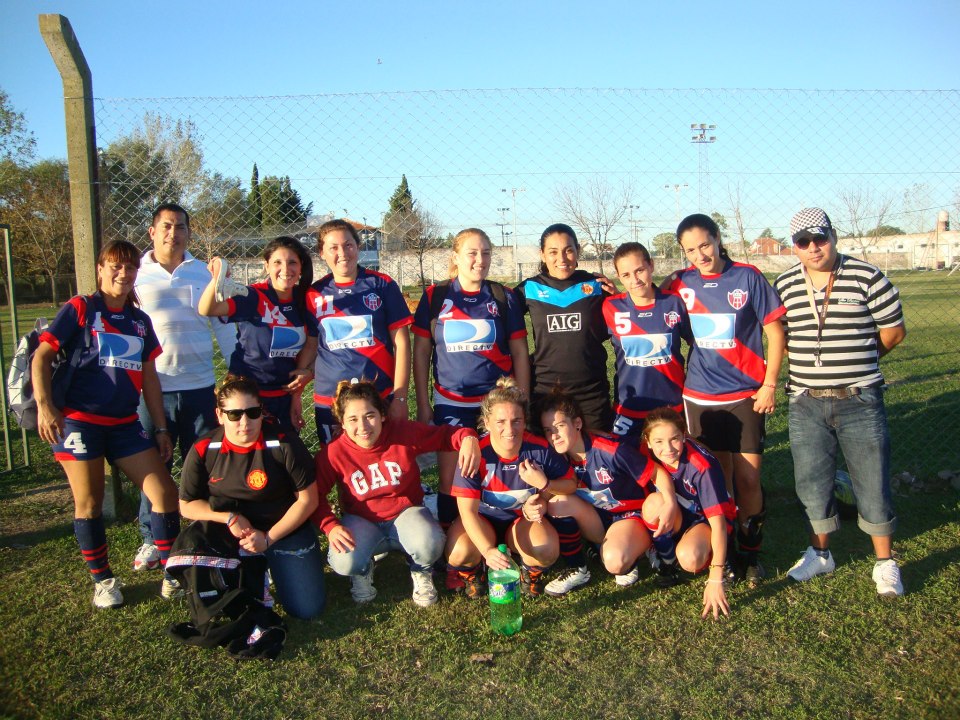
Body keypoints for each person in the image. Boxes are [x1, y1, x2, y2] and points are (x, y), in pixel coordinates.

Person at [31, 240, 181, 609]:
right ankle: (104, 581)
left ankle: (172, 573)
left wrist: (160, 429)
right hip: (79, 422)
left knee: (164, 494)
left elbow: (149, 380)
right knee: (90, 502)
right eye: (115, 266)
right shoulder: (81, 308)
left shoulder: (140, 321)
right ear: (100, 269)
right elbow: (42, 355)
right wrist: (46, 407)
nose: (123, 273)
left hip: (125, 424)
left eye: (130, 267)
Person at [774, 208, 907, 597]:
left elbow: (894, 332)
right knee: (812, 483)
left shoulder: (868, 276)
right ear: (794, 247)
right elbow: (779, 334)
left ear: (833, 235)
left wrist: (862, 360)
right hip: (805, 403)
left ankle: (885, 562)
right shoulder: (784, 285)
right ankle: (820, 553)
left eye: (820, 238)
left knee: (872, 481)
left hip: (859, 399)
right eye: (803, 242)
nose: (813, 248)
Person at [663, 213, 786, 584]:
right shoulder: (681, 282)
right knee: (719, 477)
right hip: (700, 396)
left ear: (717, 238)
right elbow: (646, 299)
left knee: (749, 479)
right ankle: (727, 550)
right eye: (689, 250)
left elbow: (776, 334)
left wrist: (769, 384)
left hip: (746, 394)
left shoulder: (747, 276)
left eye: (704, 244)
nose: (699, 255)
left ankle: (752, 553)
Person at [412, 228, 530, 585]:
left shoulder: (503, 296)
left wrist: (520, 399)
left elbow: (521, 352)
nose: (480, 260)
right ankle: (457, 556)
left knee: (499, 474)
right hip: (451, 403)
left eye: (486, 253)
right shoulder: (435, 297)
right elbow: (421, 352)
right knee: (452, 481)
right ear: (456, 256)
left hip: (496, 404)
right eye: (472, 253)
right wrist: (422, 403)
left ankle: (503, 542)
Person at [131, 202, 238, 575]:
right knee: (153, 467)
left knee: (203, 465)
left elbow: (223, 323)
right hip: (153, 390)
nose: (172, 233)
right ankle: (151, 536)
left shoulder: (203, 272)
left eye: (179, 227)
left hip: (198, 386)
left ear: (188, 233)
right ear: (152, 232)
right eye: (165, 226)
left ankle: (203, 529)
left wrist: (236, 368)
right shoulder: (136, 275)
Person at [312, 380, 480, 607]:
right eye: (352, 419)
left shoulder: (403, 433)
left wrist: (468, 437)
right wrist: (330, 526)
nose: (362, 426)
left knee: (429, 543)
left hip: (405, 513)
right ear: (342, 423)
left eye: (369, 415)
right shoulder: (334, 452)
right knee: (344, 560)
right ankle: (362, 569)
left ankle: (420, 570)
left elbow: (443, 436)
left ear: (382, 415)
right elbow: (314, 496)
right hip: (362, 521)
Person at [179, 375, 326, 620]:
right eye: (234, 414)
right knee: (230, 610)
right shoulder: (205, 448)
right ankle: (252, 570)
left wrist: (268, 539)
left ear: (261, 412)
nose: (244, 422)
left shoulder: (283, 443)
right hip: (232, 536)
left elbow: (308, 500)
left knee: (307, 609)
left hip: (282, 531)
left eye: (253, 412)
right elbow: (187, 505)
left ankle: (273, 564)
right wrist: (228, 518)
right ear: (219, 415)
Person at [537, 389, 679, 595]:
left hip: (631, 515)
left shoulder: (610, 450)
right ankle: (578, 568)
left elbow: (656, 473)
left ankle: (644, 546)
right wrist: (539, 500)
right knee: (556, 503)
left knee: (615, 561)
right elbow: (555, 489)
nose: (554, 436)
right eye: (548, 430)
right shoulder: (558, 456)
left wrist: (670, 503)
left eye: (559, 426)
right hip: (599, 517)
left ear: (577, 423)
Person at [446, 377, 575, 598]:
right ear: (486, 422)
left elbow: (571, 484)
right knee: (459, 552)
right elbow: (467, 512)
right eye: (500, 422)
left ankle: (530, 571)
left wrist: (545, 488)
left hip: (521, 522)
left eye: (516, 421)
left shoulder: (539, 449)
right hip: (482, 520)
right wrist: (487, 550)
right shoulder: (476, 454)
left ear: (525, 421)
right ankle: (474, 571)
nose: (509, 429)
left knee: (546, 549)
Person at [299, 219, 412, 444]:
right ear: (322, 253)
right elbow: (312, 345)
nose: (342, 253)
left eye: (348, 245)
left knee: (389, 460)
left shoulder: (381, 285)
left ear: (358, 247)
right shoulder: (313, 294)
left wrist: (400, 397)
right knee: (339, 465)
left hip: (379, 394)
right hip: (331, 397)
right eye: (333, 247)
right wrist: (301, 376)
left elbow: (402, 342)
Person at [199, 236, 316, 433]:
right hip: (247, 393)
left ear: (301, 267)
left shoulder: (306, 300)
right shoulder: (254, 296)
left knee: (284, 454)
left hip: (283, 394)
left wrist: (307, 375)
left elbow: (313, 344)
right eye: (277, 262)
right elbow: (207, 308)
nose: (286, 269)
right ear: (267, 266)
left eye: (292, 262)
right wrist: (216, 277)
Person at [515, 223, 614, 432]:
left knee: (598, 458)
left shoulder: (596, 285)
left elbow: (630, 310)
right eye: (553, 252)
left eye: (569, 250)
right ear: (542, 254)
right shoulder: (530, 288)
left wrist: (617, 297)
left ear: (577, 250)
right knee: (550, 461)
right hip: (546, 391)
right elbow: (494, 310)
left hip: (591, 392)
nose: (562, 258)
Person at [641, 408, 737, 620]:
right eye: (659, 441)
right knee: (653, 504)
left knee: (690, 558)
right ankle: (667, 561)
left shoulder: (702, 466)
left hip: (707, 522)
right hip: (680, 515)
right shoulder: (646, 453)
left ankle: (722, 557)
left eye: (674, 439)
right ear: (648, 441)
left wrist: (715, 576)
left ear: (684, 435)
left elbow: (719, 524)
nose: (667, 448)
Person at [604, 241, 690, 439]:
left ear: (651, 265)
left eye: (640, 270)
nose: (635, 279)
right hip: (630, 406)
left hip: (671, 403)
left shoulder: (674, 303)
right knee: (627, 464)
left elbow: (696, 343)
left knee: (672, 462)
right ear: (619, 277)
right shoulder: (610, 306)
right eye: (626, 275)